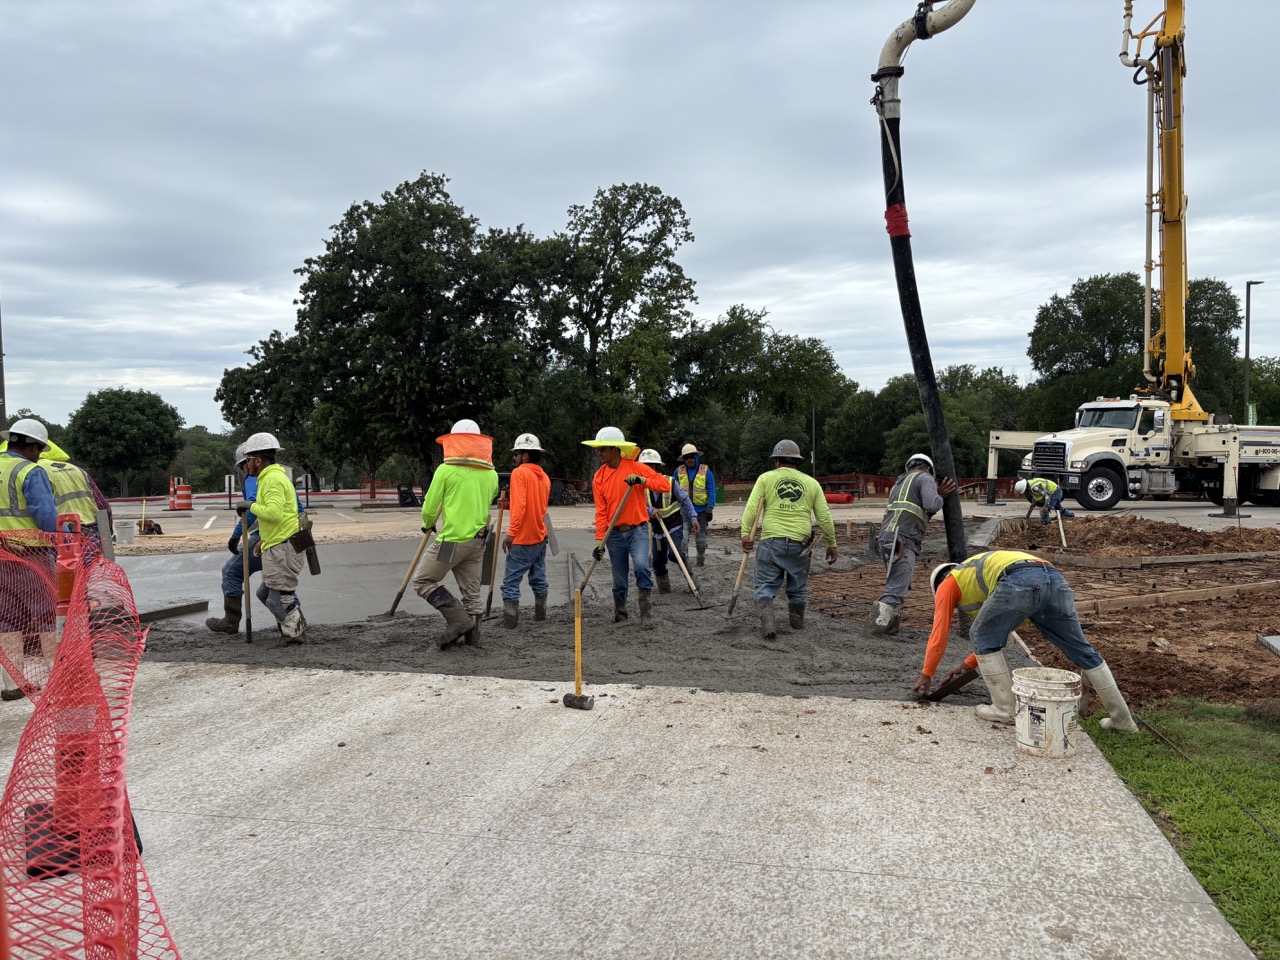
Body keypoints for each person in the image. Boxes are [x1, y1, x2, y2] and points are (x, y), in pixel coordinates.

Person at [911, 550, 1138, 733]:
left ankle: (1004, 709)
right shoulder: (977, 574)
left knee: (978, 632)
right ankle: (1123, 720)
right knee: (1082, 650)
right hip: (1055, 579)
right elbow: (1002, 629)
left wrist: (926, 674)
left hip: (1019, 578)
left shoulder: (948, 582)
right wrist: (967, 665)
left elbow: (939, 634)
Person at [413, 419, 500, 649]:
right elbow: (489, 498)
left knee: (423, 581)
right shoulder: (491, 475)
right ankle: (473, 641)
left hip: (450, 543)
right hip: (477, 542)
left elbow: (430, 508)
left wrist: (428, 524)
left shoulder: (445, 470)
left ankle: (458, 621)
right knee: (472, 594)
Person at [739, 439, 838, 639]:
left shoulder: (765, 479)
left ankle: (768, 623)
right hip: (800, 544)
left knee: (765, 587)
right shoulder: (812, 483)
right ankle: (797, 624)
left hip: (771, 542)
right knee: (798, 589)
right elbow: (824, 517)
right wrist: (832, 543)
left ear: (777, 461)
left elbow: (752, 509)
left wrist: (745, 534)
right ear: (797, 461)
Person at [207, 444, 305, 635]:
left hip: (277, 538)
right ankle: (294, 624)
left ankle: (231, 621)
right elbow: (297, 509)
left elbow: (252, 511)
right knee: (273, 589)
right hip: (284, 535)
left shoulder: (260, 478)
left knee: (231, 572)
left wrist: (236, 535)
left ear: (253, 461)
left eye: (244, 464)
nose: (244, 470)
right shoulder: (279, 476)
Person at [583, 427, 672, 628]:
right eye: (598, 449)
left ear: (616, 449)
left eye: (603, 449)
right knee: (619, 578)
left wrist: (643, 481)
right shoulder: (599, 477)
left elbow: (664, 485)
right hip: (614, 535)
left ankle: (645, 612)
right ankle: (620, 613)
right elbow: (601, 513)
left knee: (641, 566)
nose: (599, 453)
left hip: (637, 530)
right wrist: (599, 541)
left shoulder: (635, 468)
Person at [0, 418, 59, 702]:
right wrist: (65, 537)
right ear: (33, 446)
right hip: (31, 554)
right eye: (39, 449)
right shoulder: (30, 471)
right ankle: (57, 677)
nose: (39, 455)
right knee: (46, 614)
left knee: (7, 618)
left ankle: (13, 683)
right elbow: (46, 516)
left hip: (2, 555)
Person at [867, 453, 956, 635]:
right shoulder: (925, 477)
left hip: (886, 538)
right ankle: (874, 630)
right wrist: (939, 495)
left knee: (899, 583)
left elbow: (918, 510)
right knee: (897, 588)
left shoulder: (898, 484)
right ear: (928, 469)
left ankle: (891, 629)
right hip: (903, 539)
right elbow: (932, 505)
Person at [239, 432, 307, 642]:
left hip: (283, 548)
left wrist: (250, 505)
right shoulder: (271, 478)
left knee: (279, 599)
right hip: (279, 543)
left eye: (248, 459)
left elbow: (274, 513)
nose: (246, 464)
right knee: (265, 594)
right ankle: (294, 629)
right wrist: (264, 540)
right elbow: (283, 516)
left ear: (258, 460)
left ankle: (295, 635)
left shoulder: (272, 480)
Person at [500, 432, 551, 629]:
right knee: (539, 578)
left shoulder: (519, 473)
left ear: (525, 456)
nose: (515, 458)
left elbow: (521, 507)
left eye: (516, 454)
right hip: (540, 536)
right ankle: (540, 614)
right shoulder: (544, 477)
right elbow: (533, 505)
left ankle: (510, 621)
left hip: (523, 538)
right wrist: (507, 505)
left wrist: (511, 534)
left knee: (511, 582)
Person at [637, 449, 698, 594]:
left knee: (675, 554)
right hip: (657, 530)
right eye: (643, 466)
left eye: (648, 466)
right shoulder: (640, 486)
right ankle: (664, 589)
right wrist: (650, 510)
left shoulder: (670, 482)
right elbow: (637, 505)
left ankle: (692, 580)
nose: (645, 470)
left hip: (673, 526)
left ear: (655, 467)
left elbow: (685, 500)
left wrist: (693, 517)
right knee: (657, 562)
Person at [675, 442, 716, 567]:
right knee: (683, 538)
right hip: (684, 511)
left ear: (696, 457)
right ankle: (685, 561)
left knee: (700, 540)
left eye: (691, 457)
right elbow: (671, 488)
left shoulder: (706, 471)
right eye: (686, 458)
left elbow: (711, 490)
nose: (689, 460)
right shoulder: (679, 471)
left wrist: (709, 509)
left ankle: (700, 559)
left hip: (701, 511)